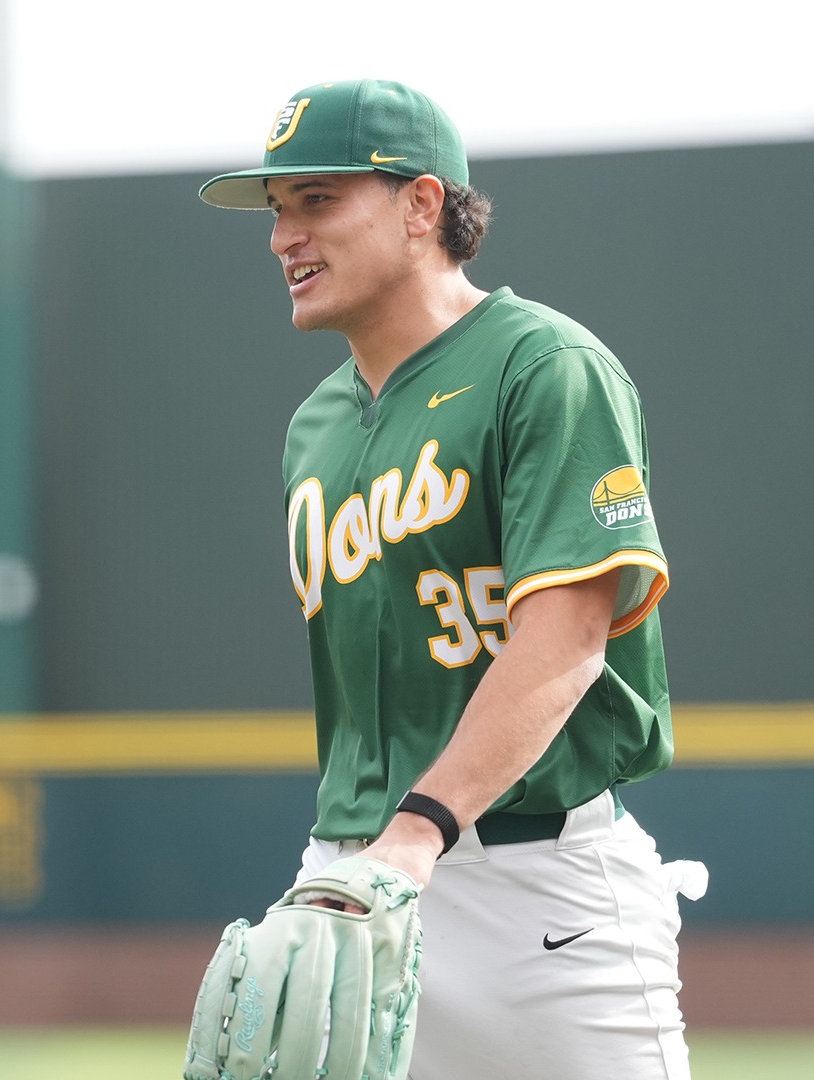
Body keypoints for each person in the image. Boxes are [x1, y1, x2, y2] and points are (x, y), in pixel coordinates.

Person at [199, 79, 706, 1080]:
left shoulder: (545, 367)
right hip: (352, 889)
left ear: (422, 205)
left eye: (317, 201)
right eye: (276, 210)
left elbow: (562, 647)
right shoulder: (317, 426)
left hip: (540, 896)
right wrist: (357, 863)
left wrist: (418, 833)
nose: (282, 237)